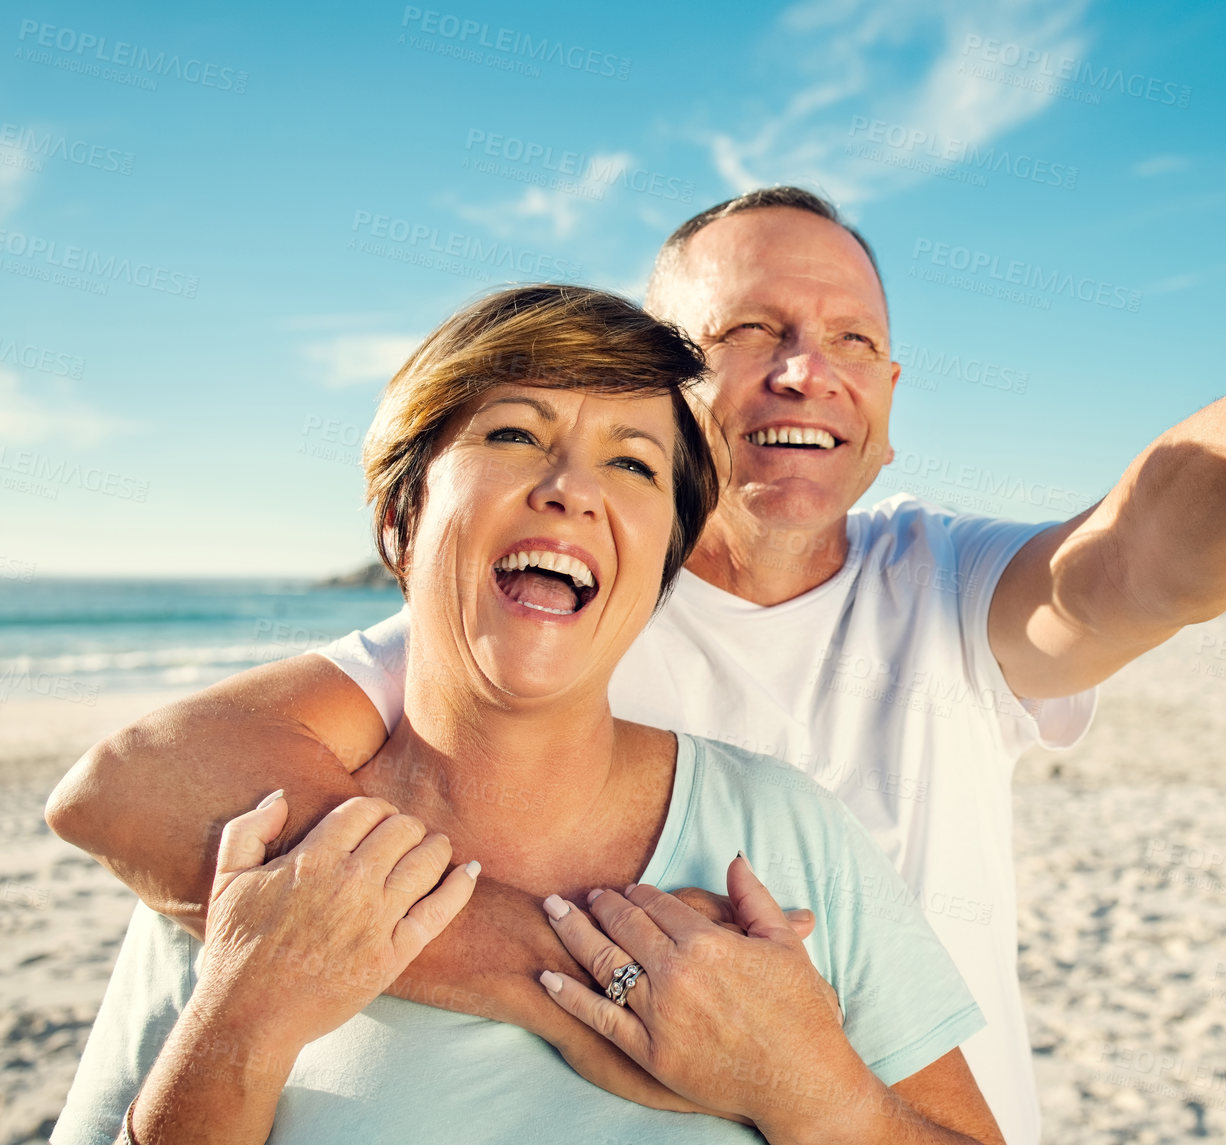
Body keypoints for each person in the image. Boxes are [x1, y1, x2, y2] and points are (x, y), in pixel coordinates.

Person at [47, 95, 1226, 1144]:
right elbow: (142, 779)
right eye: (746, 331)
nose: (803, 369)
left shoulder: (937, 595)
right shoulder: (537, 617)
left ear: (889, 401)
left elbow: (1152, 544)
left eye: (848, 341)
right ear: (650, 383)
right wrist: (599, 980)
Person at [52, 286, 1000, 1144]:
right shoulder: (255, 856)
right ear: (404, 513)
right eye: (513, 436)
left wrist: (817, 1094)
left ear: (662, 563)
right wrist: (238, 1026)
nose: (573, 490)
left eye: (633, 465)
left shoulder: (785, 833)